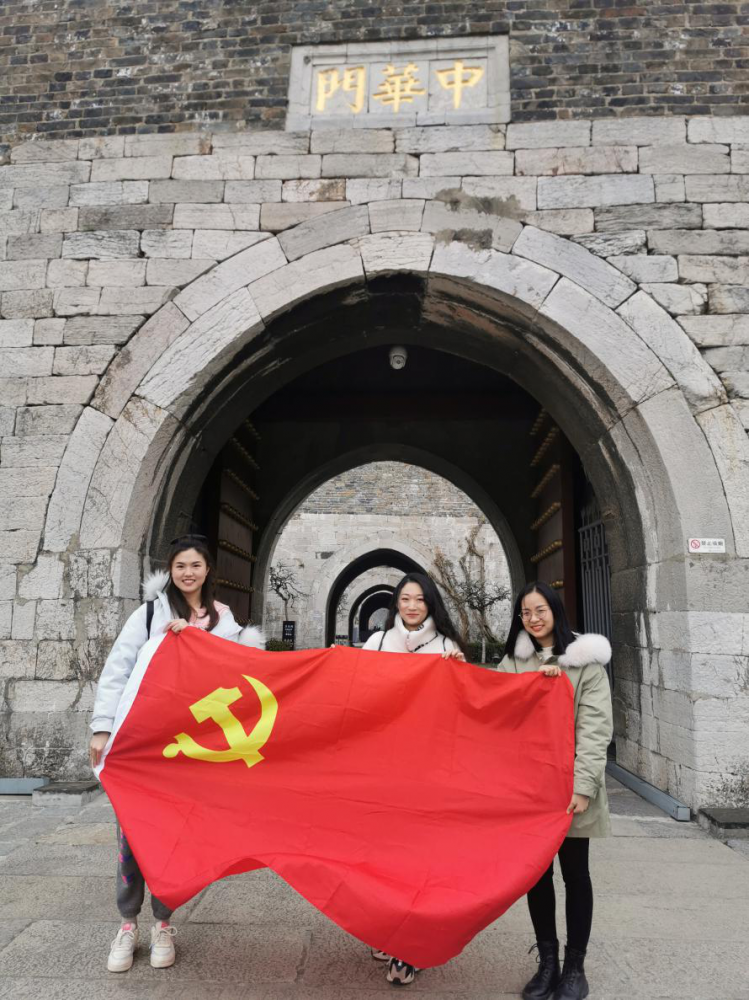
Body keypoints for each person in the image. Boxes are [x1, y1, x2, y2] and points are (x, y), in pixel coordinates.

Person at [88, 534, 265, 974]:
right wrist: (102, 727)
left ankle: (163, 923)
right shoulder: (149, 614)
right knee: (132, 833)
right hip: (142, 745)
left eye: (196, 565)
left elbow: (239, 671)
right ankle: (127, 923)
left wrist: (199, 643)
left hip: (190, 751)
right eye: (180, 565)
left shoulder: (223, 619)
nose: (188, 573)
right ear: (170, 570)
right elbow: (117, 670)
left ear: (208, 570)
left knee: (174, 836)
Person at [497, 581, 613, 1000]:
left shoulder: (586, 663)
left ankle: (575, 967)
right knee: (538, 875)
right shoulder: (514, 662)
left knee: (576, 874)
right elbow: (494, 709)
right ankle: (548, 963)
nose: (533, 619)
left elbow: (595, 730)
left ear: (556, 611)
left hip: (572, 790)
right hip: (531, 792)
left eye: (540, 610)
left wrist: (583, 787)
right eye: (525, 612)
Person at [362, 571, 467, 986]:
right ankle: (385, 929)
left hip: (427, 769)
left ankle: (409, 946)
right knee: (382, 855)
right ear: (396, 603)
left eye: (419, 599)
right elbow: (357, 694)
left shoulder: (446, 648)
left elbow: (461, 707)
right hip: (382, 767)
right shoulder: (377, 643)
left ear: (430, 604)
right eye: (405, 598)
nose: (411, 606)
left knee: (418, 856)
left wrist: (461, 673)